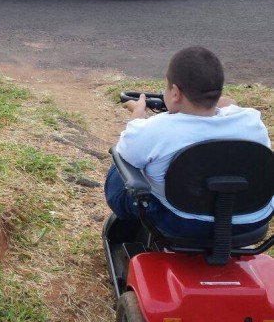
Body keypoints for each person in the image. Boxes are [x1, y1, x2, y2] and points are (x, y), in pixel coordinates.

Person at [105, 47, 273, 240]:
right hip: (251, 221)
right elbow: (230, 105)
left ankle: (125, 232)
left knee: (121, 159)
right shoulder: (252, 121)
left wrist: (137, 116)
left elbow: (128, 153)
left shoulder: (154, 129)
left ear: (175, 93)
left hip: (183, 224)